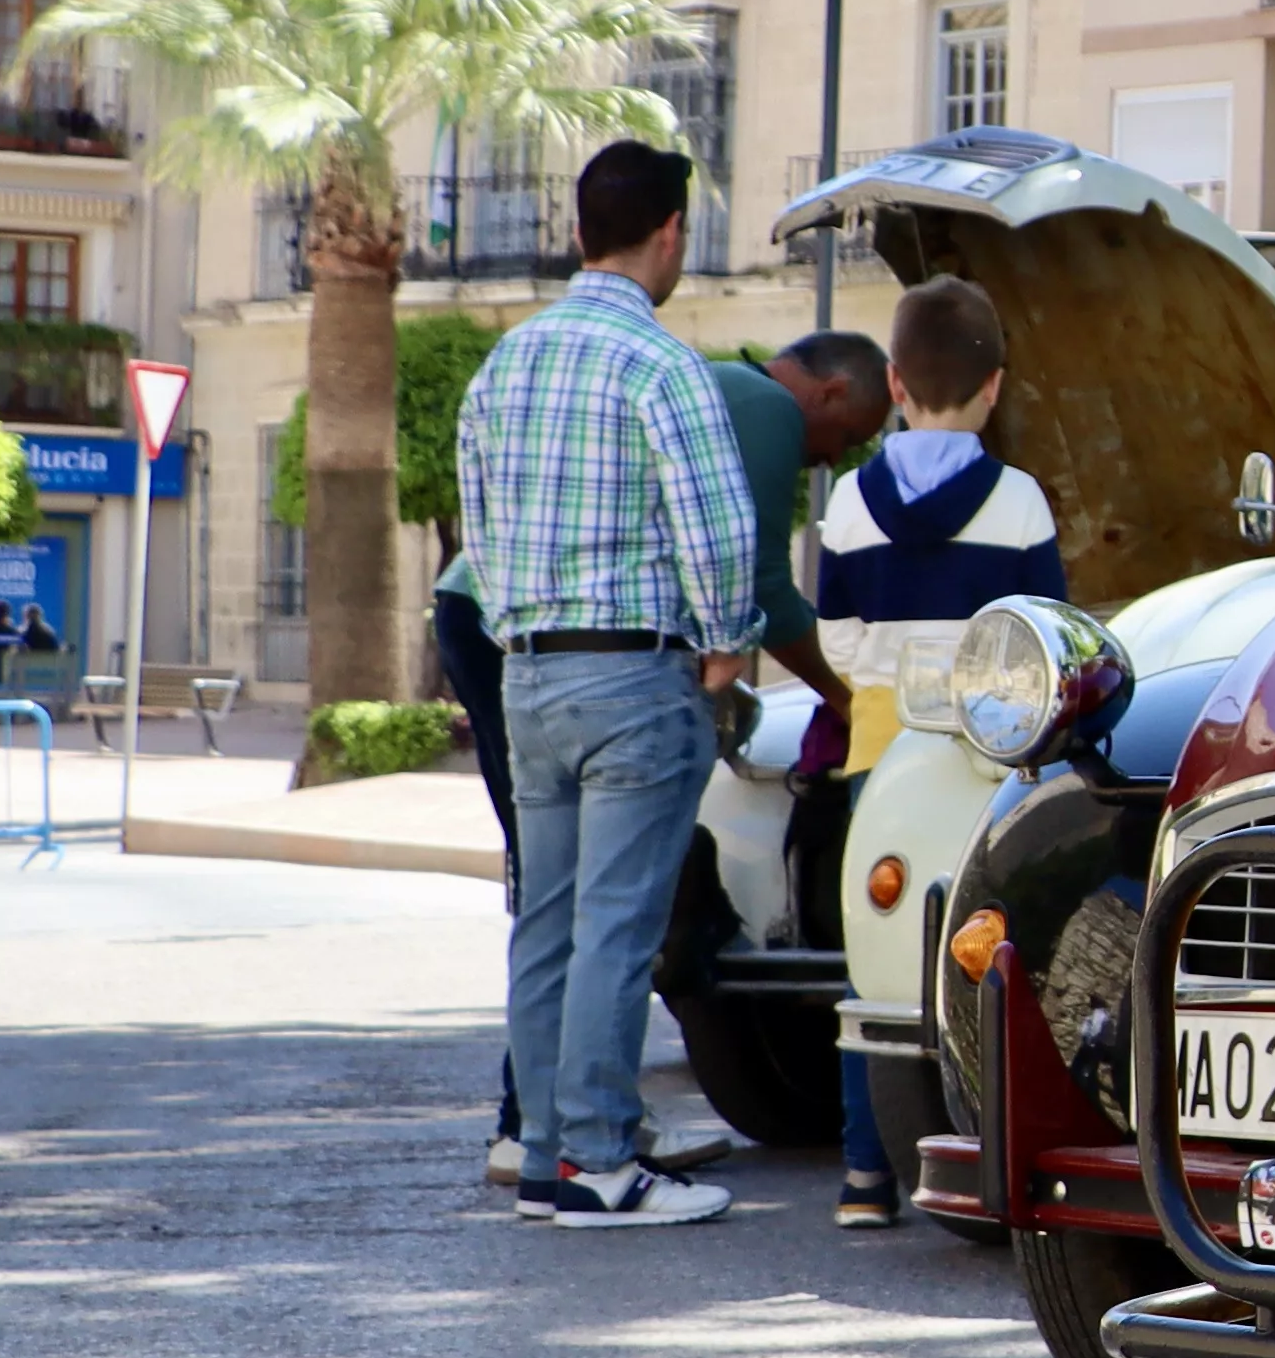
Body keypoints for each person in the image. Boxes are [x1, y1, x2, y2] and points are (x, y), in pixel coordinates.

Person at [446, 320, 887, 1182]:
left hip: (505, 622)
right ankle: (567, 1139)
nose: (830, 461)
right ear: (831, 395)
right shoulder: (762, 407)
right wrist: (847, 695)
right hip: (576, 645)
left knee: (554, 901)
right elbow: (757, 580)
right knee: (594, 908)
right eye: (848, 440)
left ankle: (556, 1135)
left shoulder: (710, 381)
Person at [451, 142, 764, 1228]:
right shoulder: (660, 365)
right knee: (618, 927)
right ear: (669, 232)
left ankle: (543, 1158)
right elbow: (719, 528)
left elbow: (478, 537)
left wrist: (518, 632)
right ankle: (595, 1161)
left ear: (583, 228)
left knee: (547, 921)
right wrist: (727, 641)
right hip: (635, 671)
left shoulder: (507, 365)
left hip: (529, 671)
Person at [808, 276, 1068, 1224]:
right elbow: (1047, 628)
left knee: (871, 959)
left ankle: (863, 1176)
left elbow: (834, 637)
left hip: (883, 747)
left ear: (894, 382)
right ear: (995, 386)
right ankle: (995, 1156)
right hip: (994, 757)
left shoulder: (849, 502)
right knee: (997, 947)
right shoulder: (1020, 502)